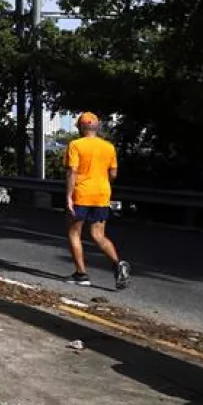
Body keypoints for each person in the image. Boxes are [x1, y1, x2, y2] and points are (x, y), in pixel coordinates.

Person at [65, 111, 131, 289]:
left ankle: (81, 274)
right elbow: (113, 173)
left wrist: (68, 196)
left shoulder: (75, 145)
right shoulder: (108, 147)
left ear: (80, 127)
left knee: (74, 233)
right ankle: (118, 264)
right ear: (97, 127)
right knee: (98, 235)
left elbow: (72, 171)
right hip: (102, 194)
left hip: (81, 194)